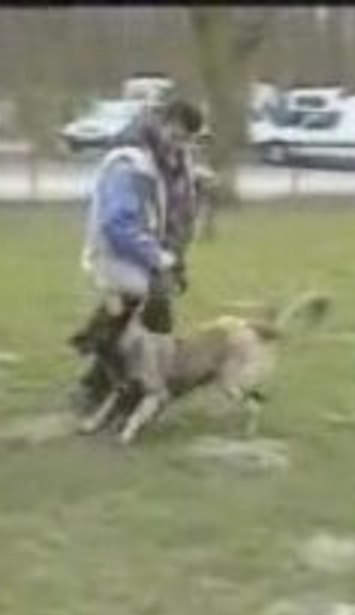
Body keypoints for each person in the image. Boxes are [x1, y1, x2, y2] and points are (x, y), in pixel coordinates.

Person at [69, 100, 206, 414]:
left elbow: (177, 211)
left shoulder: (175, 159)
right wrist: (158, 258)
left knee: (135, 325)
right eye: (177, 134)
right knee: (145, 322)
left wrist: (176, 258)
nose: (181, 144)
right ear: (162, 122)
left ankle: (105, 383)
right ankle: (115, 388)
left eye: (187, 139)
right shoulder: (129, 163)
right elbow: (118, 223)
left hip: (154, 255)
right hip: (120, 254)